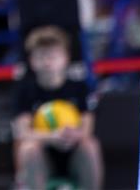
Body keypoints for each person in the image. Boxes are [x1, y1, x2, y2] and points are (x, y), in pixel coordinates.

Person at [12, 27, 102, 190]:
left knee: (90, 145)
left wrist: (71, 136)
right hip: (44, 154)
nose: (47, 62)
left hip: (72, 153)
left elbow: (87, 128)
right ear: (32, 60)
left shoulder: (79, 88)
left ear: (66, 58)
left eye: (53, 56)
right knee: (28, 148)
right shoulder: (25, 91)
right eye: (41, 56)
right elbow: (23, 132)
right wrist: (52, 137)